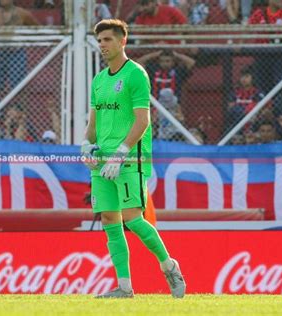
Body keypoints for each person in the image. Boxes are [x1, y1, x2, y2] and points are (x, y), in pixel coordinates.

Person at [81, 19, 185, 299]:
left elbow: (143, 120)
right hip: (103, 160)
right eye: (100, 40)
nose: (102, 45)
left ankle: (169, 266)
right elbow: (94, 123)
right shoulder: (99, 80)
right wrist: (85, 146)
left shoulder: (135, 74)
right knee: (109, 220)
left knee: (133, 218)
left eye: (108, 40)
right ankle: (124, 287)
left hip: (129, 159)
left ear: (122, 41)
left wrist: (122, 152)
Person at [0, 0, 39, 95]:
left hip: (17, 52)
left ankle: (18, 108)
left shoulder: (23, 13)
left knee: (18, 85)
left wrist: (26, 39)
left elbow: (37, 29)